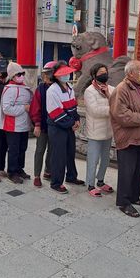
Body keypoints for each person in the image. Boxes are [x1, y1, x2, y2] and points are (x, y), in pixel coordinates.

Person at [110, 60, 140, 217]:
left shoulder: (139, 88)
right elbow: (121, 115)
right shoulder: (121, 89)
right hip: (127, 137)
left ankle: (134, 196)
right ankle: (124, 202)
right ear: (130, 73)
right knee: (127, 171)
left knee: (138, 170)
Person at [46, 61, 85, 193]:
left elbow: (74, 107)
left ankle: (71, 176)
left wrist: (77, 119)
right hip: (57, 127)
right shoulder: (52, 90)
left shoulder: (69, 88)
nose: (67, 75)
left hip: (68, 126)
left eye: (67, 73)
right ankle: (56, 182)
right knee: (59, 155)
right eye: (63, 74)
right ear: (56, 76)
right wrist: (71, 123)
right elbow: (56, 113)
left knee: (70, 152)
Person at [84, 63, 115, 197]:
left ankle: (100, 181)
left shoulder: (112, 89)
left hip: (108, 130)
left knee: (105, 159)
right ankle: (90, 184)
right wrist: (113, 110)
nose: (104, 75)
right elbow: (95, 111)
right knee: (93, 159)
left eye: (105, 72)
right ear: (94, 75)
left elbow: (117, 103)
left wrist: (108, 95)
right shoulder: (89, 91)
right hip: (95, 131)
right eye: (101, 72)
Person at [0, 62, 32, 184]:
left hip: (24, 124)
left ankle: (19, 168)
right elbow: (6, 109)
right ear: (12, 76)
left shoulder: (24, 87)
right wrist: (24, 108)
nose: (21, 76)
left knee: (22, 148)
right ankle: (12, 172)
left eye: (22, 73)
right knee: (14, 149)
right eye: (19, 74)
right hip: (12, 125)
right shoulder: (8, 89)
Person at [29, 61, 56, 187]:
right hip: (44, 125)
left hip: (56, 126)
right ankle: (36, 175)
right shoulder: (41, 89)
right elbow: (35, 108)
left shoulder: (61, 88)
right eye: (46, 74)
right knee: (40, 150)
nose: (47, 77)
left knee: (52, 150)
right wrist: (37, 124)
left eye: (50, 74)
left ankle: (48, 171)